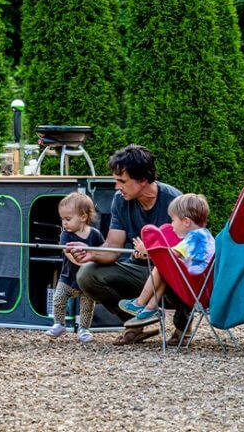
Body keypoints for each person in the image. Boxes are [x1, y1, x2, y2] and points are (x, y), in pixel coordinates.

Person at [65, 144, 190, 345]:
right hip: (138, 272)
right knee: (86, 275)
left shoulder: (175, 201)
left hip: (170, 273)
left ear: (142, 179)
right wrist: (91, 253)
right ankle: (134, 325)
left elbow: (189, 257)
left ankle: (183, 326)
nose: (117, 187)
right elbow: (113, 245)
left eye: (122, 181)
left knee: (180, 273)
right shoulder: (120, 201)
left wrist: (154, 254)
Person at [120, 193, 215, 327]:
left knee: (162, 267)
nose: (172, 224)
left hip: (194, 290)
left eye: (173, 220)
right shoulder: (205, 235)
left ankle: (139, 303)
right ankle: (149, 309)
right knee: (166, 271)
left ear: (186, 221)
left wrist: (146, 250)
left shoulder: (194, 238)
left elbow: (169, 257)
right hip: (205, 289)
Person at [45, 193, 104, 342]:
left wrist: (96, 260)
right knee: (58, 299)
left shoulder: (95, 235)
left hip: (88, 279)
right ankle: (59, 324)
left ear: (83, 217)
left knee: (87, 306)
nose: (64, 223)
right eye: (62, 219)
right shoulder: (65, 235)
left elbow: (102, 251)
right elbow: (69, 254)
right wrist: (85, 262)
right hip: (68, 277)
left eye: (68, 219)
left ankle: (84, 329)